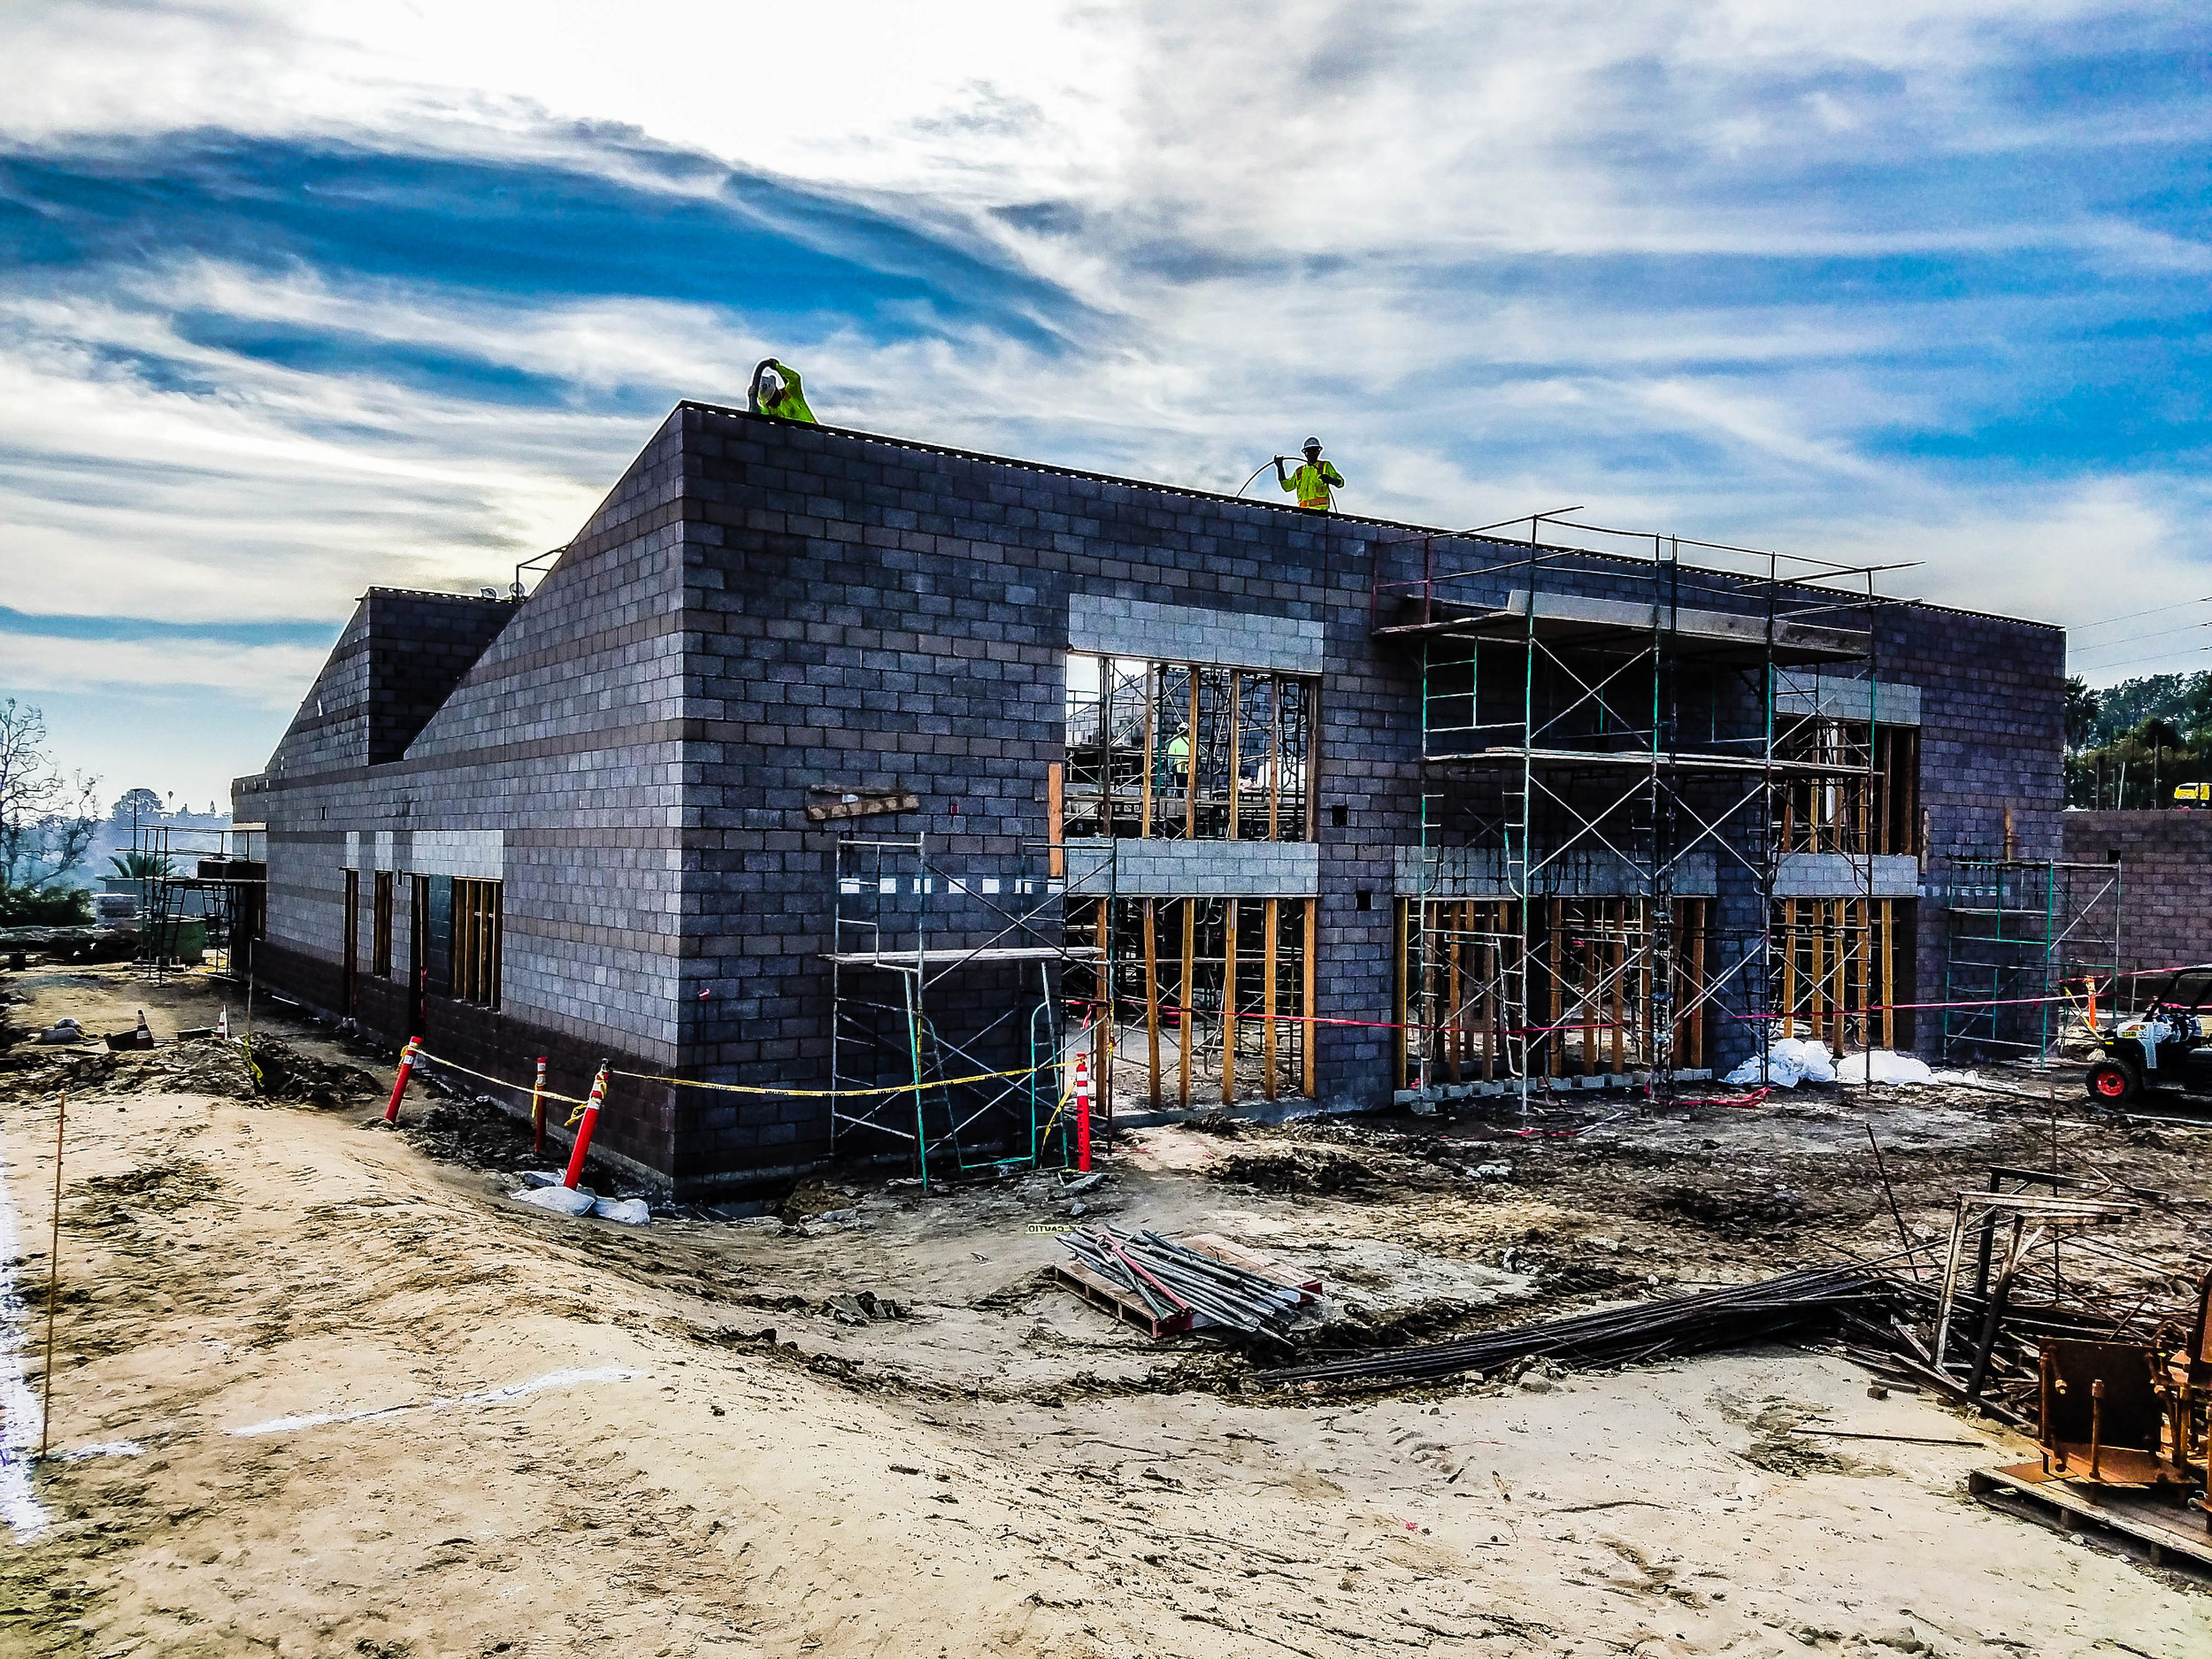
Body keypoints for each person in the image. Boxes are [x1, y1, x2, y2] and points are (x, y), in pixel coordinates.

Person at [1275, 437, 1344, 511]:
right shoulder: (1299, 471)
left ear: (1318, 452)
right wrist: (1280, 468)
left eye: (1314, 450)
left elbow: (1341, 483)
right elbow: (1287, 487)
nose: (1311, 453)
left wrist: (1331, 480)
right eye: (1308, 451)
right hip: (1303, 512)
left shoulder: (1325, 466)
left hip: (1321, 512)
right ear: (1305, 453)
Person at [749, 357, 817, 424]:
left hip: (812, 430)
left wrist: (777, 367)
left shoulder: (791, 392)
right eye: (771, 402)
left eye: (774, 398)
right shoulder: (770, 409)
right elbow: (760, 416)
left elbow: (795, 378)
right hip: (791, 433)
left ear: (776, 390)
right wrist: (752, 399)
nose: (774, 403)